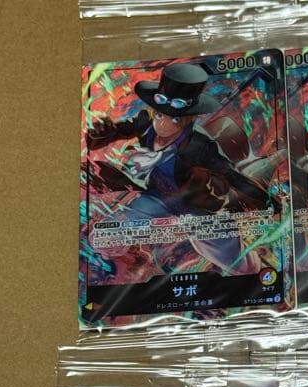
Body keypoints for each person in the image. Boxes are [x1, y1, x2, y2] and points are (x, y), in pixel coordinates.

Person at [87, 62, 271, 274]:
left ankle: (255, 267)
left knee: (240, 264)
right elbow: (111, 134)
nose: (162, 124)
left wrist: (266, 202)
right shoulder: (146, 123)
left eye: (174, 118)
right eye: (159, 115)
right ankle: (136, 255)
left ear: (189, 119)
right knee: (102, 237)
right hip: (158, 198)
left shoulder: (201, 146)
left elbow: (231, 175)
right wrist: (102, 133)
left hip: (197, 209)